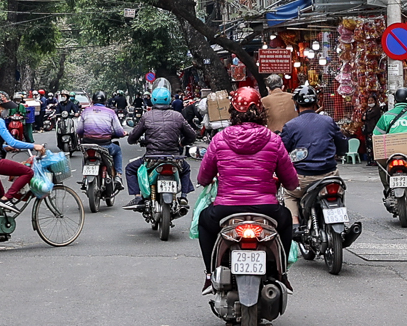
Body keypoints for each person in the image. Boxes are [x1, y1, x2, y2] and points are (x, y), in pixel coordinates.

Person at [196, 86, 298, 293]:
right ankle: (282, 273)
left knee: (204, 222)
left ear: (232, 112)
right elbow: (291, 182)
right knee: (287, 218)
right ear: (260, 112)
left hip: (226, 210)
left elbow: (203, 178)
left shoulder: (219, 139)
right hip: (267, 210)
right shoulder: (273, 139)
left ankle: (209, 274)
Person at [123, 78, 197, 211]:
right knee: (185, 169)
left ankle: (138, 196)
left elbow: (133, 136)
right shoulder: (178, 116)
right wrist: (182, 143)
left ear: (152, 99)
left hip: (152, 158)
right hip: (174, 158)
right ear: (169, 99)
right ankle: (184, 196)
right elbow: (192, 135)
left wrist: (133, 140)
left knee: (130, 169)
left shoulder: (147, 116)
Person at [281, 84, 347, 227]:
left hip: (303, 179)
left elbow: (282, 152)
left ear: (297, 104)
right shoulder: (328, 121)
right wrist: (341, 153)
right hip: (329, 175)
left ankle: (294, 223)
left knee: (289, 194)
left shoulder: (290, 126)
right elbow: (342, 143)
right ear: (315, 102)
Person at [0, 90, 45, 213]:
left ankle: (0, 223)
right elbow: (12, 142)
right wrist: (34, 146)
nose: (5, 110)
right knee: (28, 172)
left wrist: (4, 148)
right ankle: (7, 199)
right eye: (4, 107)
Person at [76, 91, 124, 179]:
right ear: (105, 101)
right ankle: (118, 175)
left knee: (86, 155)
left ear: (92, 101)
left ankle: (85, 176)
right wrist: (123, 134)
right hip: (105, 145)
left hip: (88, 144)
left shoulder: (86, 111)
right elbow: (119, 131)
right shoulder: (110, 112)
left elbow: (79, 130)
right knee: (117, 151)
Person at [361, 93, 384, 164]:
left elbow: (368, 116)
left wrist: (366, 116)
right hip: (367, 130)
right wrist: (365, 116)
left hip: (373, 129)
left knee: (374, 145)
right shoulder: (368, 109)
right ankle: (369, 160)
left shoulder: (376, 109)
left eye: (371, 100)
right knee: (368, 145)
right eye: (369, 101)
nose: (370, 102)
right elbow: (363, 117)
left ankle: (375, 160)